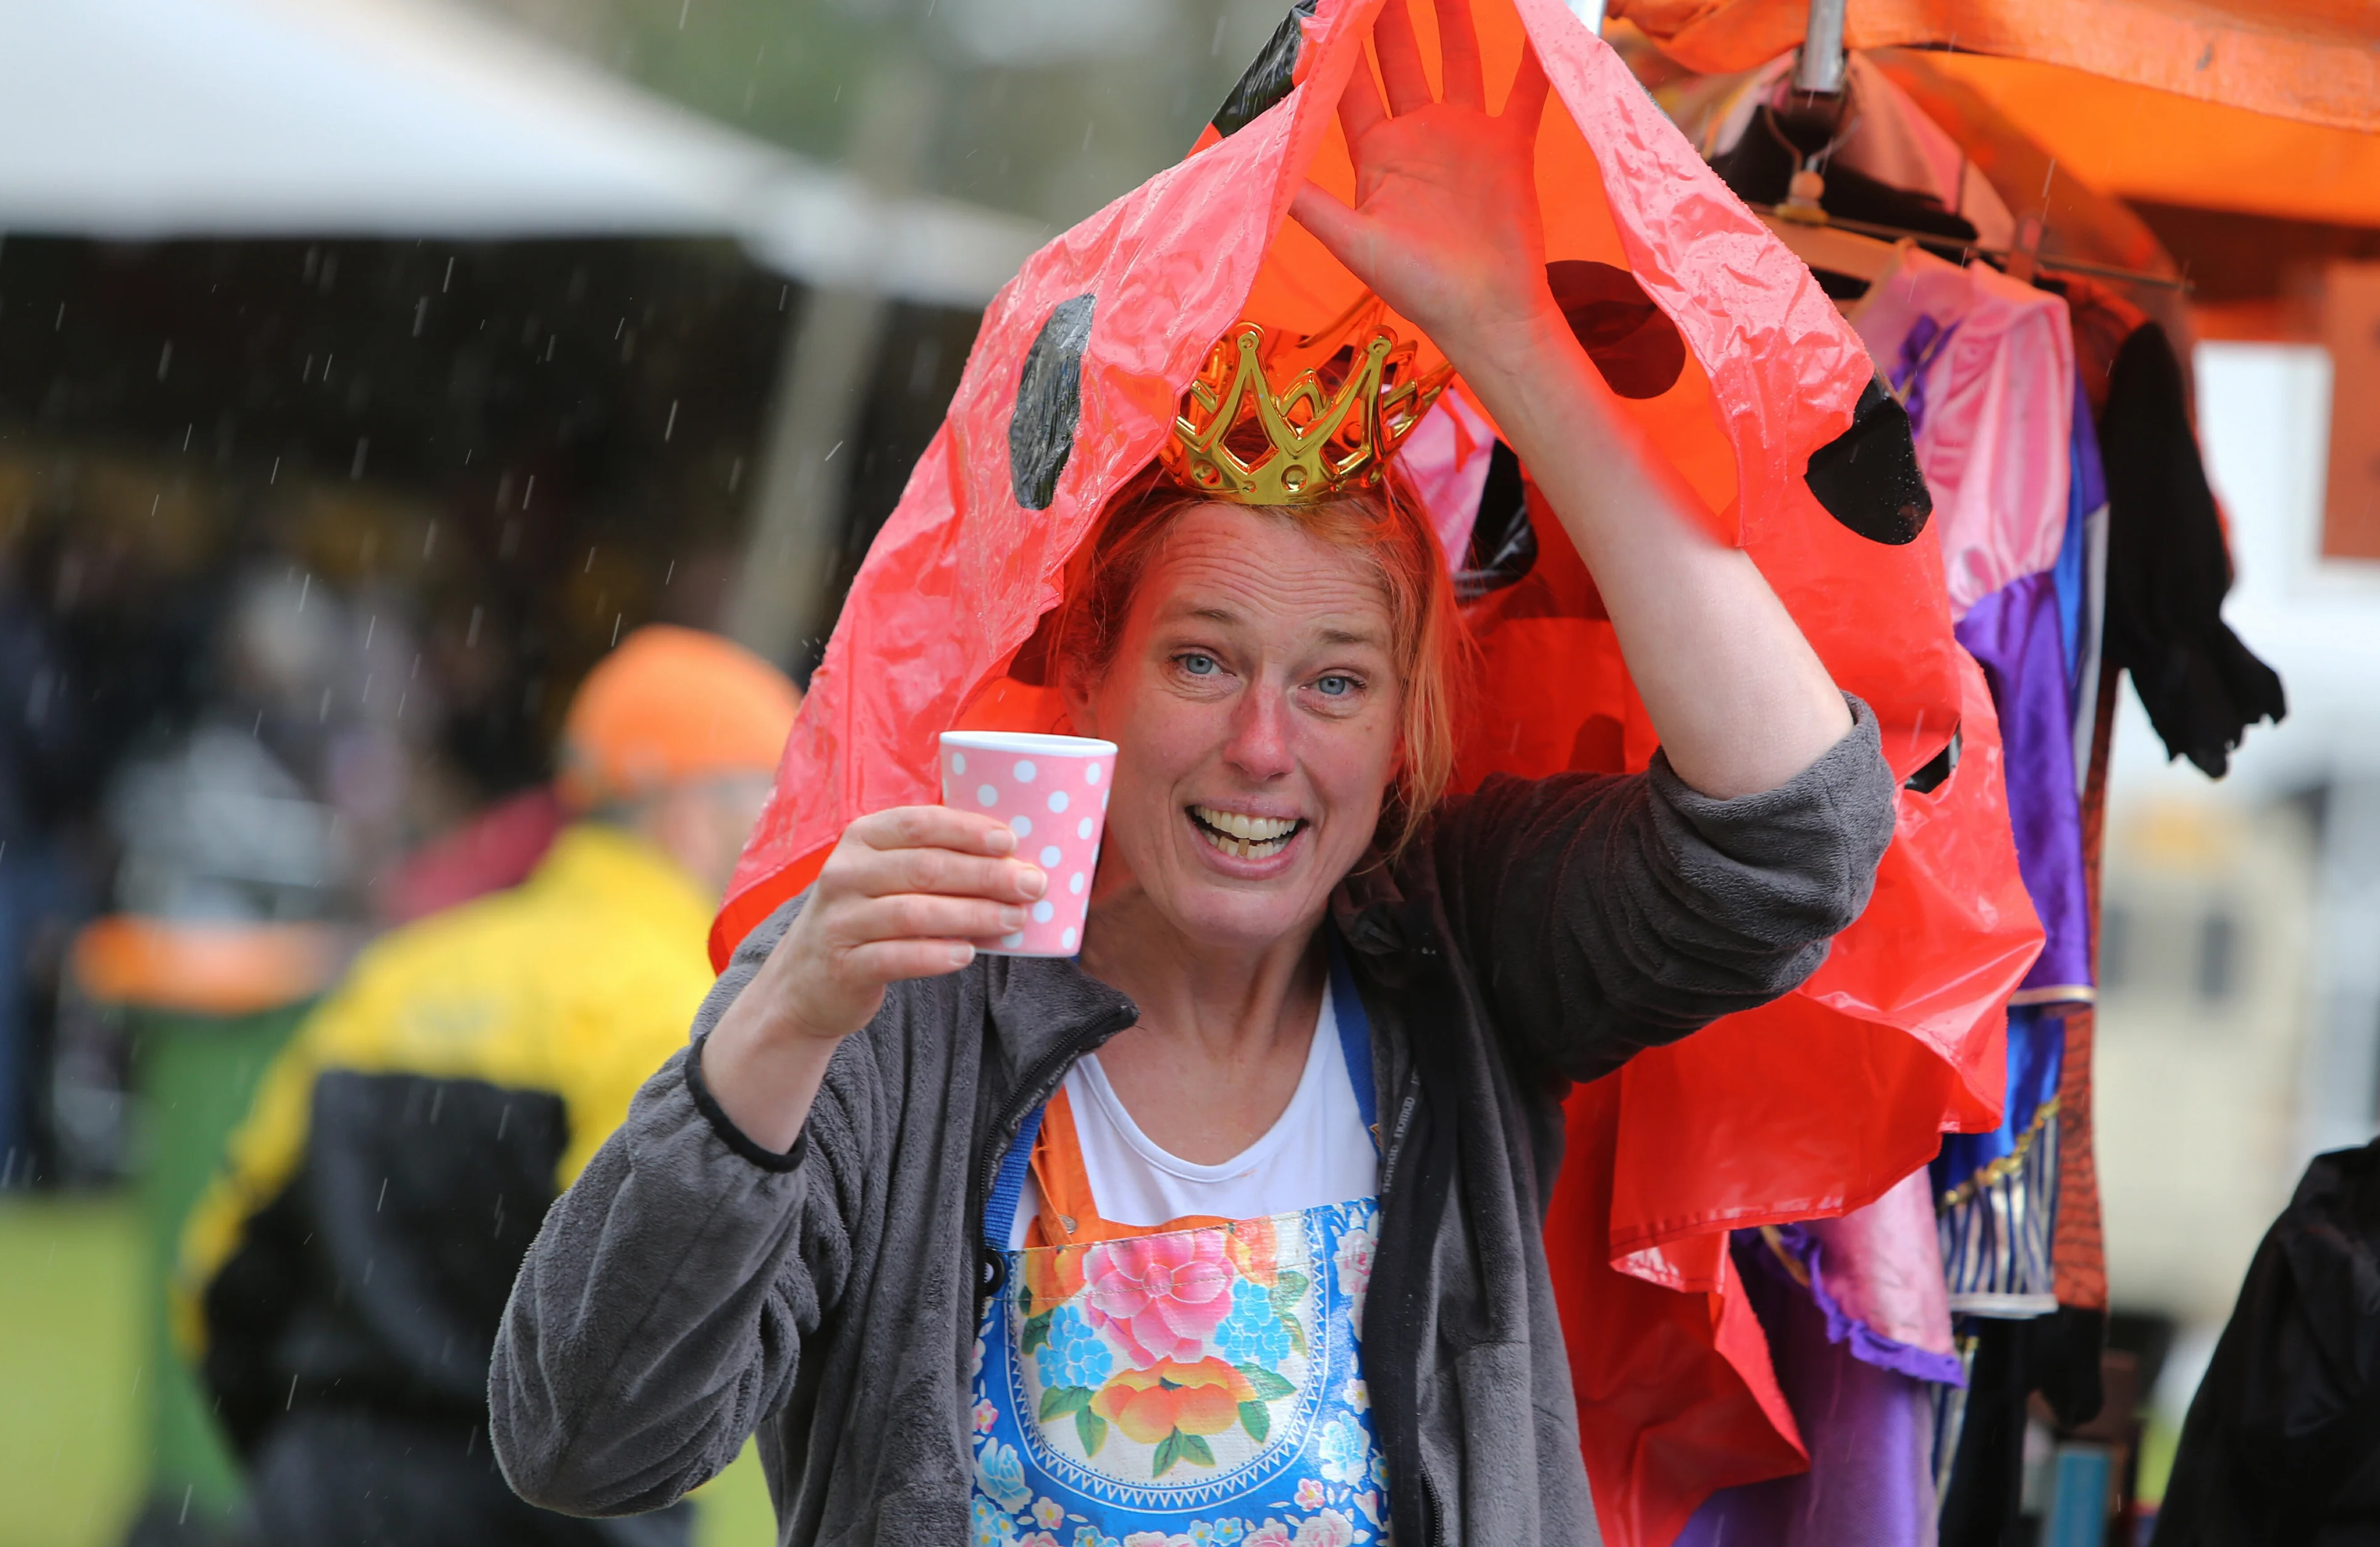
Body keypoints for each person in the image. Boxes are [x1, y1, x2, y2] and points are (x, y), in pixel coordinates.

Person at [491, 11, 1899, 1545]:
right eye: (1203, 662)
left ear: (1405, 729)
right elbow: (586, 1439)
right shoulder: (897, 990)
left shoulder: (1466, 951)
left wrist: (1512, 339)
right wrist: (784, 1021)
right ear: (1085, 670)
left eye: (1337, 682)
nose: (1264, 747)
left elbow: (1795, 835)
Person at [177, 625, 799, 1547]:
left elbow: (223, 1273)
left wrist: (299, 1456)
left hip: (318, 1497)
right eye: (777, 806)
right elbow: (644, 1326)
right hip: (547, 1522)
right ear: (688, 817)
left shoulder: (399, 975)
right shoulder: (690, 1011)